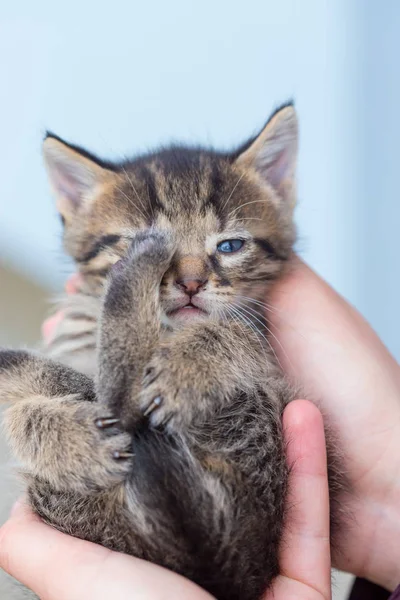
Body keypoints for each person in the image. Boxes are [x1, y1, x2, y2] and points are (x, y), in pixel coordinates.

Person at [1, 258, 400, 599]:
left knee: (36, 423)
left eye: (225, 246)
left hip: (155, 526)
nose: (189, 277)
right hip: (239, 533)